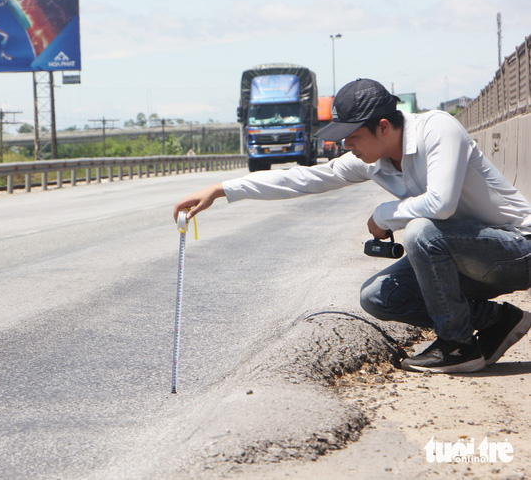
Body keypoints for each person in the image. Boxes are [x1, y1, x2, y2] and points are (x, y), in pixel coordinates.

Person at [173, 78, 531, 374]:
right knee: (378, 296)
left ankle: (458, 346)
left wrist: (383, 215)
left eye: (351, 136)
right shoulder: (373, 159)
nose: (345, 145)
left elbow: (441, 203)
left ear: (384, 127)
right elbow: (305, 178)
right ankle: (495, 320)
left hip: (517, 249)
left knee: (422, 230)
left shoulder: (437, 129)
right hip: (463, 258)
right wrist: (222, 190)